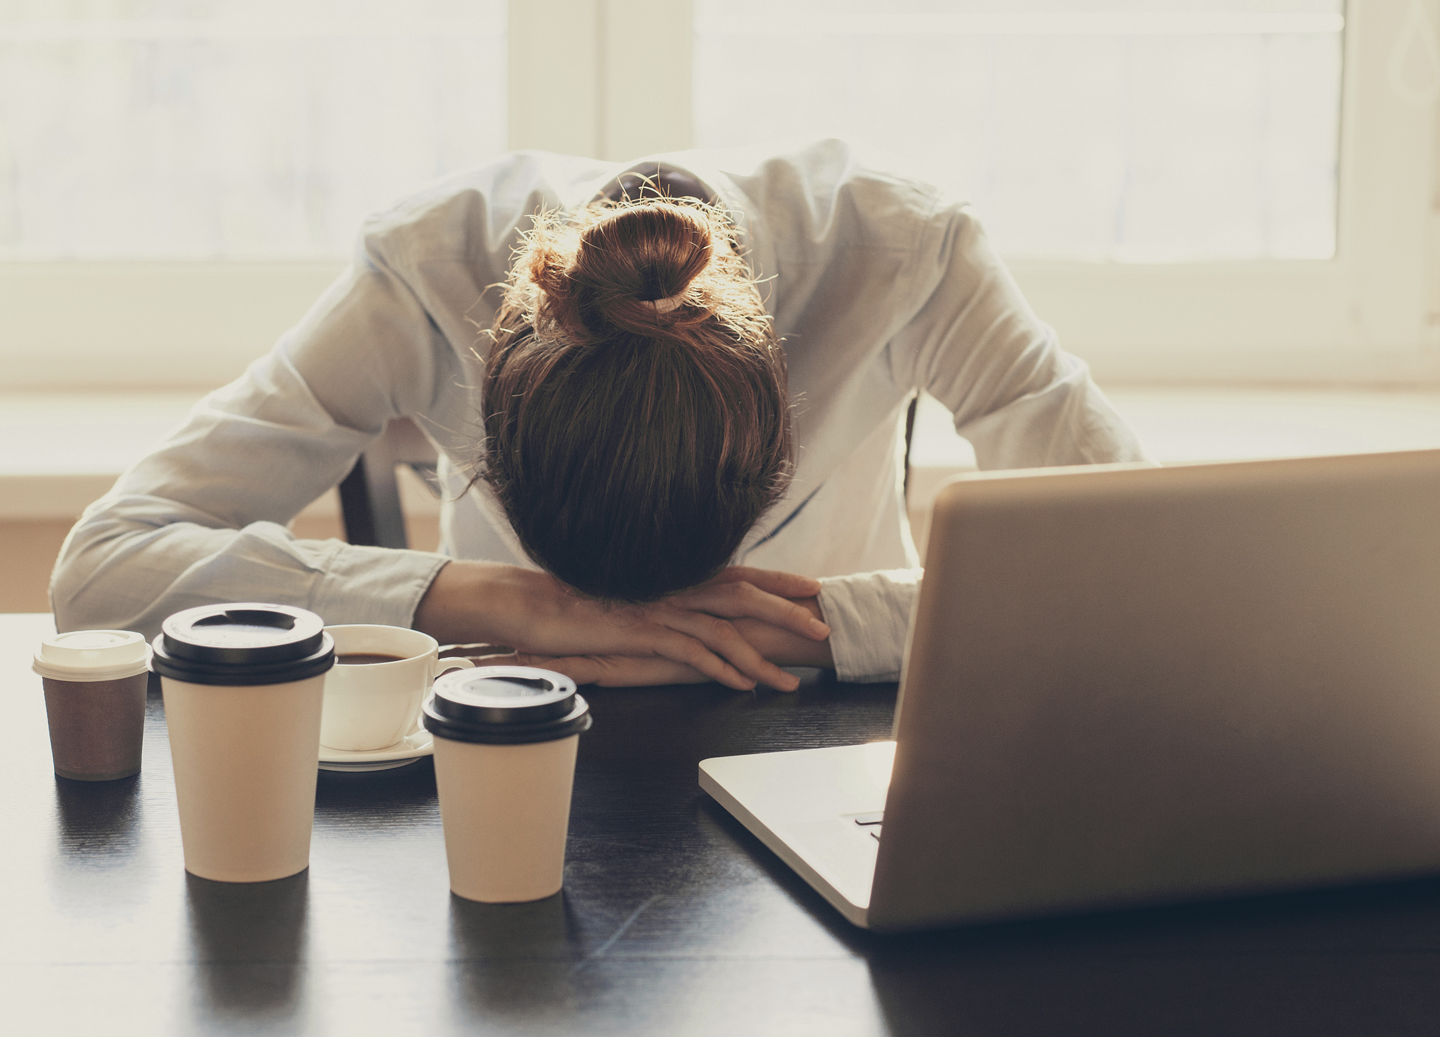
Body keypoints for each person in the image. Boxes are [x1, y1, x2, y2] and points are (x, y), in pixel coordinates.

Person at [51, 139, 1145, 688]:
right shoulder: (428, 267)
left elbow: (1147, 569)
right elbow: (106, 567)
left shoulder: (911, 253)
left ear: (777, 415)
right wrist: (498, 601)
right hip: (519, 707)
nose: (659, 625)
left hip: (826, 727)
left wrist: (817, 625)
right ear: (493, 412)